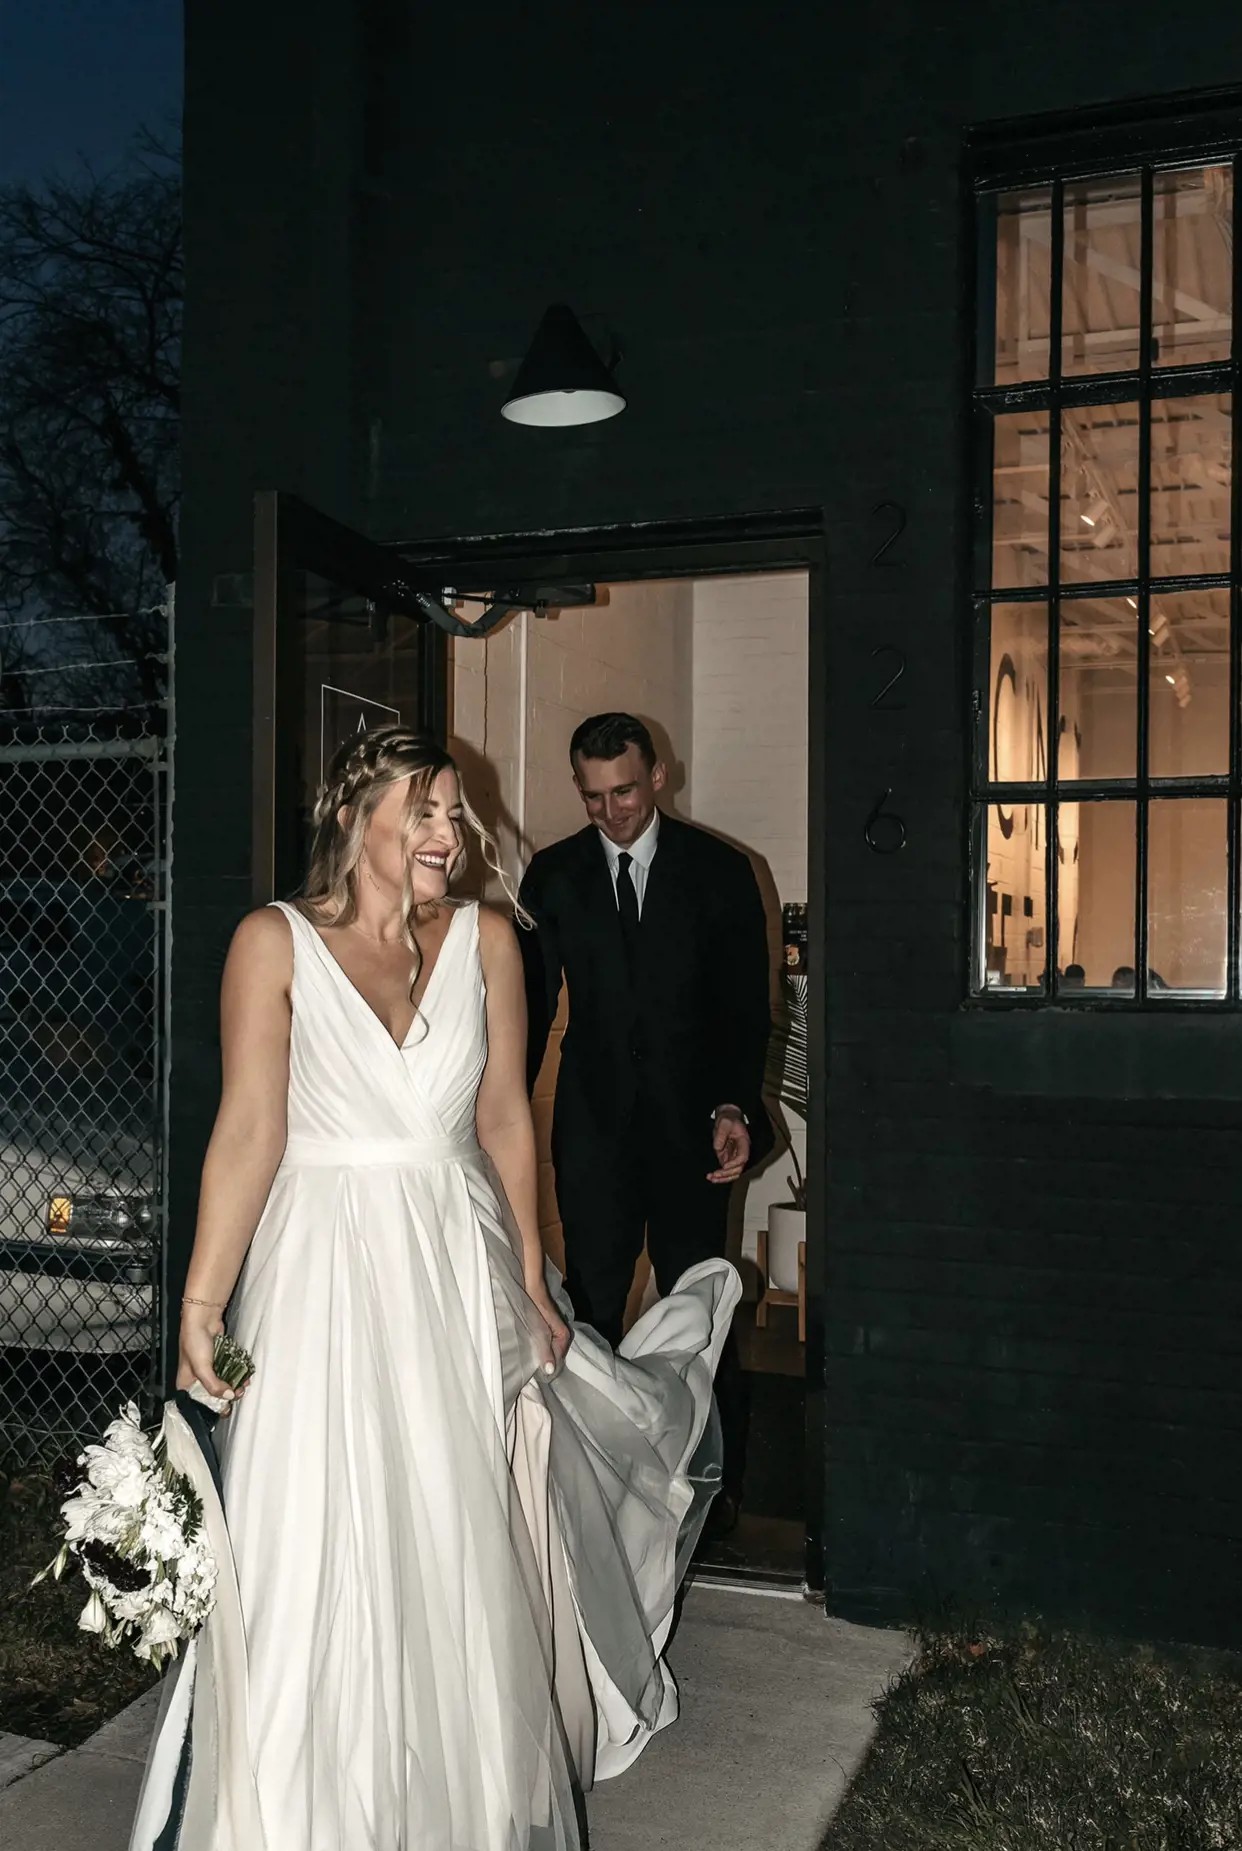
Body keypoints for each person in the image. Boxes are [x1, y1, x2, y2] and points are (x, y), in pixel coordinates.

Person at [129, 726, 738, 1851]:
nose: (448, 834)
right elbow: (250, 1130)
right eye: (424, 809)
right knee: (313, 1529)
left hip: (456, 1266)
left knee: (459, 1533)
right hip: (320, 1268)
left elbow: (505, 1118)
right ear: (353, 815)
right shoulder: (272, 943)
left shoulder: (490, 940)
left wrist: (529, 1280)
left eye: (455, 814)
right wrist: (203, 1305)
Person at [518, 713, 773, 1540]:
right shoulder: (552, 876)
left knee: (698, 1304)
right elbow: (525, 1016)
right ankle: (589, 1476)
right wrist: (495, 1125)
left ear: (660, 774)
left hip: (693, 1130)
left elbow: (746, 1010)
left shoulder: (722, 871)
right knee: (586, 1305)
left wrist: (734, 1106)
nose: (611, 812)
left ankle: (714, 1483)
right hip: (593, 1134)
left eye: (624, 790)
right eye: (593, 797)